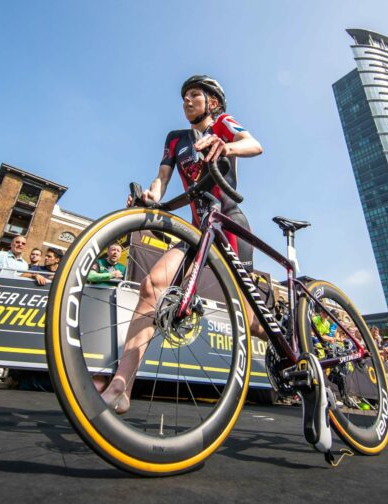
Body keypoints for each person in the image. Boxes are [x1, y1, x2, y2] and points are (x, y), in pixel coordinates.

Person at [99, 75, 263, 414]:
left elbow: (253, 144)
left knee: (249, 319)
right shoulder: (175, 139)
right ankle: (120, 384)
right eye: (184, 97)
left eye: (193, 95)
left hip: (229, 225)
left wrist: (225, 146)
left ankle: (289, 342)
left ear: (212, 102)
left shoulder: (223, 123)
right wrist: (150, 195)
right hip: (197, 230)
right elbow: (161, 179)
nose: (186, 101)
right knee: (152, 286)